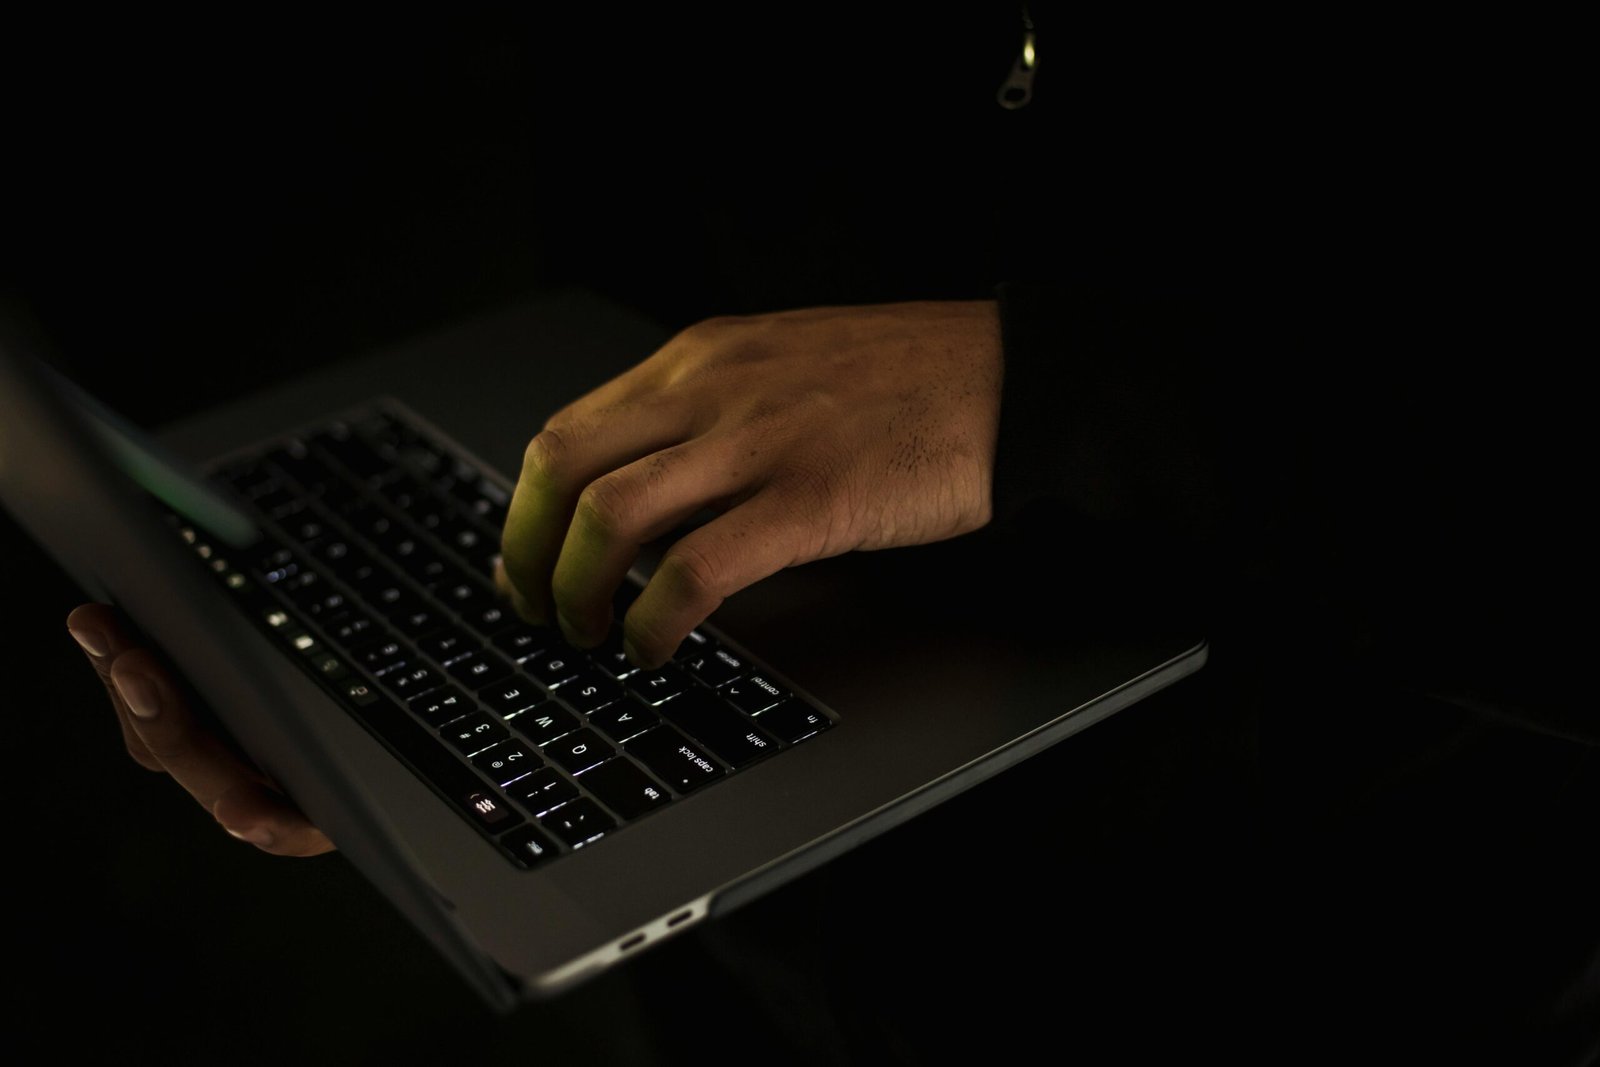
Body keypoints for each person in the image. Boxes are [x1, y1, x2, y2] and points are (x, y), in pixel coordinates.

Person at [34, 7, 1596, 1065]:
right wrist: (408, 650)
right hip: (776, 948)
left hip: (1349, 958)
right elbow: (653, 263)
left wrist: (1046, 387)